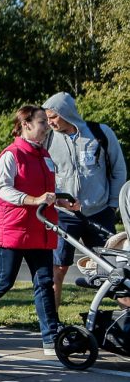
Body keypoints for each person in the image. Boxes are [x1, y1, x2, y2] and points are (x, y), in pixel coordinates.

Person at [0, 105, 63, 353]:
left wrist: (61, 201)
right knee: (5, 280)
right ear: (26, 124)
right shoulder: (12, 154)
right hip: (14, 228)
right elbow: (4, 189)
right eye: (42, 122)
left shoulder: (44, 156)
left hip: (40, 229)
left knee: (44, 281)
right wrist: (34, 200)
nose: (47, 126)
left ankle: (51, 338)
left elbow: (46, 193)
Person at [43, 91, 127, 308]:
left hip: (99, 212)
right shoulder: (48, 139)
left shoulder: (100, 133)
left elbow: (118, 170)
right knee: (57, 269)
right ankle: (53, 325)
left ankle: (126, 319)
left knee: (114, 269)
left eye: (53, 117)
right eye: (47, 117)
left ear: (66, 113)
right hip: (64, 216)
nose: (49, 122)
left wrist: (112, 204)